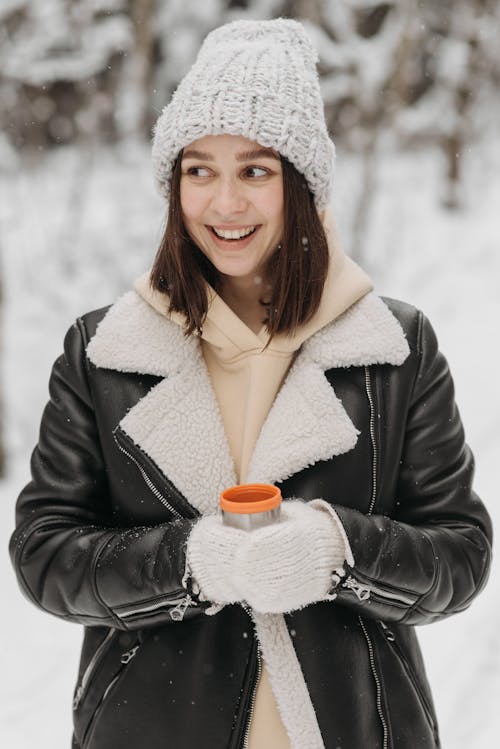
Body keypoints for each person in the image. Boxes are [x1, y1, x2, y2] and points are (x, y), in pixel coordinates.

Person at [9, 18, 492, 749]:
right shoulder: (104, 350)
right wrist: (190, 562)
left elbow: (460, 553)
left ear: (300, 185)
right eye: (198, 170)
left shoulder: (392, 347)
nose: (223, 204)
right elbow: (45, 555)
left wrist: (339, 551)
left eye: (255, 171)